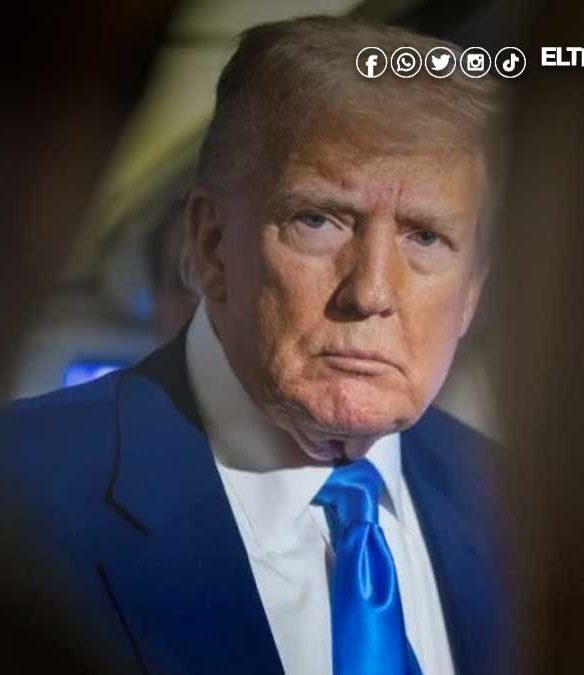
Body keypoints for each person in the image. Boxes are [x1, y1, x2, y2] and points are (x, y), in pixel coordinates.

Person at [1, 16, 503, 675]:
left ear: (472, 290)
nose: (371, 291)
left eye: (426, 237)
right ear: (212, 245)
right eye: (318, 220)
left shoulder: (521, 511)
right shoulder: (21, 497)